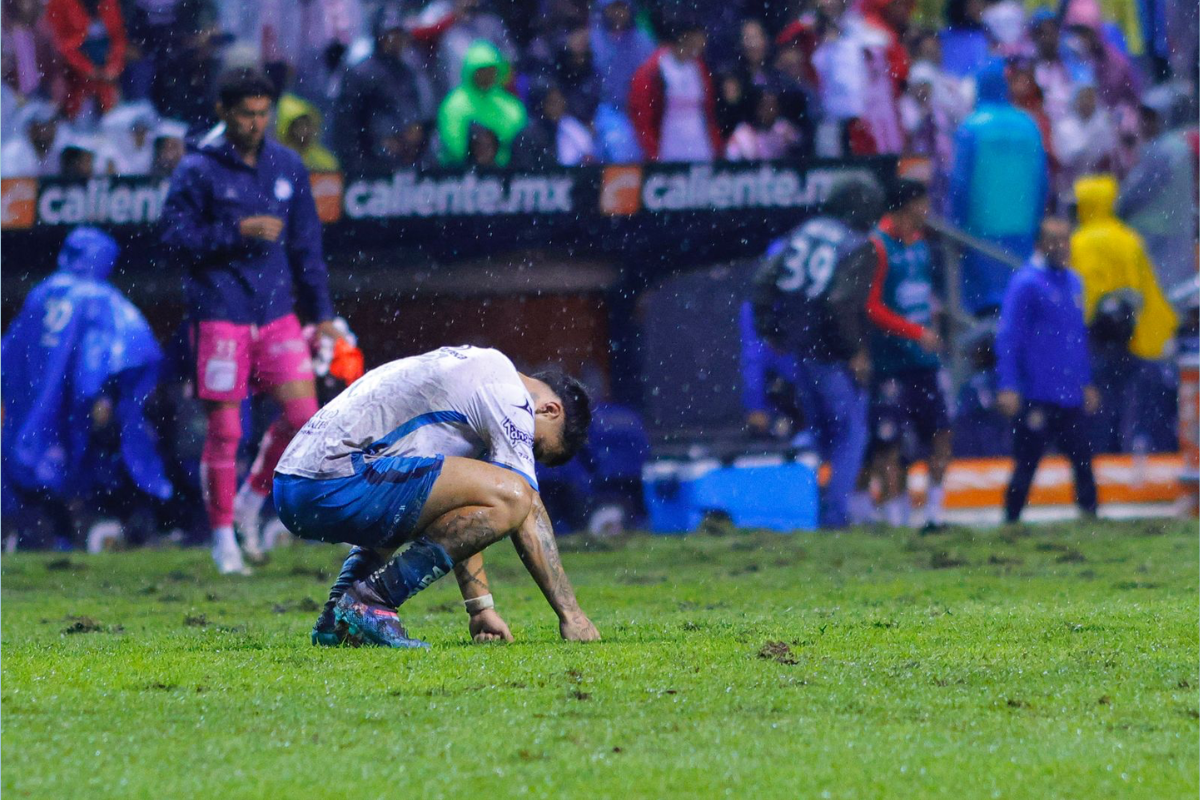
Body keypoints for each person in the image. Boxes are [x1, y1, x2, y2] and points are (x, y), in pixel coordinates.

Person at [272, 345, 600, 649]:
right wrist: (572, 615)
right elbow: (523, 503)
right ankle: (374, 600)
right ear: (550, 409)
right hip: (333, 480)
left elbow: (459, 508)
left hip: (293, 487)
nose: (524, 451)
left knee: (495, 492)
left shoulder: (471, 373)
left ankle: (337, 619)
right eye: (534, 446)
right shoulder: (510, 396)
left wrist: (480, 608)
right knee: (516, 495)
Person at [160, 68, 339, 575]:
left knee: (305, 418)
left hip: (277, 312)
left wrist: (322, 314)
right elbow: (171, 238)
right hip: (220, 313)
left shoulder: (288, 166)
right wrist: (235, 231)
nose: (256, 123)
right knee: (226, 431)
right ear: (223, 112)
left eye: (263, 113)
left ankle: (250, 505)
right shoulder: (197, 169)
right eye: (246, 113)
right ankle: (222, 540)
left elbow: (308, 247)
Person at [2, 227, 172, 548]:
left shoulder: (40, 293)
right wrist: (100, 395)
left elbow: (9, 352)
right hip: (75, 405)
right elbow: (102, 355)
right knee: (85, 464)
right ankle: (88, 531)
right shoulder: (98, 298)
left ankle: (46, 537)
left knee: (36, 469)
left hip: (32, 405)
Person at [751, 175, 884, 528]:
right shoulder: (858, 244)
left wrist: (771, 328)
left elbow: (763, 280)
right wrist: (855, 350)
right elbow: (840, 302)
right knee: (852, 432)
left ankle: (808, 509)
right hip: (829, 349)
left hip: (796, 345)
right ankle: (836, 515)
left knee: (819, 433)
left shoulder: (804, 231)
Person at [995, 218, 1100, 523]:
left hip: (1069, 393)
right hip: (1037, 391)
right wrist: (1008, 384)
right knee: (1027, 461)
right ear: (1040, 244)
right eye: (1054, 240)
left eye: (1065, 240)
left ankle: (1090, 517)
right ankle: (1011, 520)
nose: (1061, 247)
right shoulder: (1026, 283)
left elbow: (1077, 337)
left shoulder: (1074, 282)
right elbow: (1009, 336)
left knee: (1083, 458)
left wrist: (1086, 382)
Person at [1070, 174, 1178, 452]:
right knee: (1131, 402)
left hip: (1095, 340)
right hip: (1129, 338)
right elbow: (1145, 289)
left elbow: (1080, 292)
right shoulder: (1129, 239)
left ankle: (1100, 455)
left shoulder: (1079, 241)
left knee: (1099, 407)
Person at [865, 179, 950, 530]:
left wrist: (934, 321)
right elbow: (871, 307)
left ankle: (934, 514)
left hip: (925, 363)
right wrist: (915, 333)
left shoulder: (921, 247)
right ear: (907, 205)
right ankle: (896, 520)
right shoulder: (877, 247)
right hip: (891, 363)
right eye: (922, 203)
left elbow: (926, 295)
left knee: (942, 434)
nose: (927, 210)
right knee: (889, 444)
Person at [949, 60, 1048, 315]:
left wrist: (956, 225)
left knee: (984, 309)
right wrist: (1037, 225)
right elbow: (1042, 181)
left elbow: (960, 184)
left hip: (979, 234)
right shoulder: (1029, 125)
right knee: (1019, 302)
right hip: (1022, 231)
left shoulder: (971, 127)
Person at [331, 3, 434, 176]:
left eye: (399, 35)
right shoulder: (360, 73)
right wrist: (358, 164)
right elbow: (346, 127)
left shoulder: (408, 71)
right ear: (379, 36)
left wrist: (414, 135)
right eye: (390, 35)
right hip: (370, 165)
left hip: (405, 164)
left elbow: (418, 118)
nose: (396, 41)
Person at [1118, 86, 1199, 292]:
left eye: (1151, 118)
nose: (1144, 124)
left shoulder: (1161, 151)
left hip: (1154, 234)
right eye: (1143, 117)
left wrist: (1116, 209)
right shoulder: (1179, 146)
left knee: (1158, 293)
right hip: (1177, 230)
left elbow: (1137, 192)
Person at [628, 17, 722, 163]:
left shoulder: (700, 68)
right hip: (669, 145)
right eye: (699, 37)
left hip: (701, 145)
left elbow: (709, 110)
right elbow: (643, 113)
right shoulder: (654, 69)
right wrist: (652, 150)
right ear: (685, 37)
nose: (703, 42)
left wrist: (715, 144)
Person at [437, 40, 527, 167]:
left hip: (506, 172)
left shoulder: (510, 104)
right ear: (471, 71)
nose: (487, 75)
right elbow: (455, 146)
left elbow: (520, 140)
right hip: (463, 174)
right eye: (482, 70)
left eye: (491, 70)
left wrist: (499, 158)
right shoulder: (454, 104)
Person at [45, 0, 127, 119]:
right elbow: (62, 44)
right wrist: (87, 68)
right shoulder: (60, 3)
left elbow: (118, 37)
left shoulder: (108, 3)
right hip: (74, 68)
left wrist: (113, 65)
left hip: (104, 65)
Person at [724, 87, 799, 161]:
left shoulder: (782, 129)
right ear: (757, 108)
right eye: (767, 107)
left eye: (775, 106)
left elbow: (802, 150)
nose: (772, 111)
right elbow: (732, 163)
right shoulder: (742, 134)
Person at [275, 93, 339, 171]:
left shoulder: (324, 161)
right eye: (298, 125)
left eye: (307, 125)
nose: (304, 131)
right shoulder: (274, 159)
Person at [1, 101, 65, 177]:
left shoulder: (56, 152)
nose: (50, 130)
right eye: (44, 126)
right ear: (31, 128)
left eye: (52, 124)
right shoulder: (13, 153)